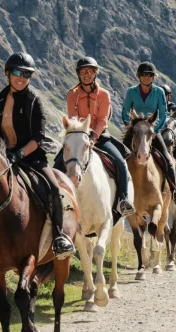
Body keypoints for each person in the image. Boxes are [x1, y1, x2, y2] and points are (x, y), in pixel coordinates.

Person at [0, 52, 76, 260]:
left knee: (53, 187)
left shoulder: (35, 101)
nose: (21, 77)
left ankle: (60, 237)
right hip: (3, 158)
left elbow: (38, 138)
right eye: (17, 72)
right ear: (8, 73)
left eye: (27, 74)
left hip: (32, 158)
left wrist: (19, 154)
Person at [55, 57, 135, 217]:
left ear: (95, 74)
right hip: (79, 135)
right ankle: (54, 200)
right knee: (57, 164)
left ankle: (124, 200)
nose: (87, 74)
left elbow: (103, 119)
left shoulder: (104, 95)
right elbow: (73, 118)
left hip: (100, 136)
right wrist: (84, 138)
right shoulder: (72, 95)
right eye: (83, 71)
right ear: (78, 74)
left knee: (120, 162)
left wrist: (94, 137)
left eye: (90, 71)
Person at [121, 62, 176, 203]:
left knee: (167, 158)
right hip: (135, 131)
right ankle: (120, 193)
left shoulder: (159, 92)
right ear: (139, 76)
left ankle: (175, 190)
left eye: (149, 75)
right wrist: (130, 127)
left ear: (153, 77)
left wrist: (154, 131)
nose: (146, 77)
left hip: (152, 131)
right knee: (121, 155)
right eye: (143, 74)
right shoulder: (131, 91)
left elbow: (163, 114)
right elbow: (125, 111)